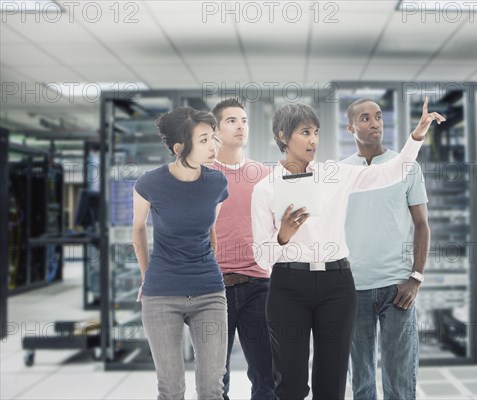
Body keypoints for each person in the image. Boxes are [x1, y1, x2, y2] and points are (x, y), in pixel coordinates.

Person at [251, 98, 444, 399]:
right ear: (281, 136)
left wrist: (416, 136)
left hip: (336, 284)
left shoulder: (334, 175)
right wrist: (283, 235)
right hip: (288, 286)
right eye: (304, 132)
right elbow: (261, 258)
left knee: (332, 384)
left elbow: (391, 173)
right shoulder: (264, 190)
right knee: (290, 384)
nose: (313, 139)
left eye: (315, 132)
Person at [132, 107, 229, 400]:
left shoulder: (217, 183)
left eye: (213, 138)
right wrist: (146, 278)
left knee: (212, 386)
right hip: (162, 293)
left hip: (209, 291)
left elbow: (210, 228)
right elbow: (138, 229)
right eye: (203, 140)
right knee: (171, 388)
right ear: (179, 148)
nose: (212, 146)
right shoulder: (149, 183)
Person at [341, 98, 430, 400]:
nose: (375, 123)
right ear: (350, 127)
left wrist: (416, 277)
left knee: (400, 382)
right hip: (353, 290)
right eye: (365, 118)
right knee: (362, 383)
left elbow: (422, 225)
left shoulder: (407, 167)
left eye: (378, 116)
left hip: (398, 289)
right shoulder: (340, 173)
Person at [210, 98, 275, 400]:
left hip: (259, 284)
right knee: (213, 380)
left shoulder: (263, 174)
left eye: (244, 120)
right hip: (212, 288)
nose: (240, 126)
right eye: (232, 120)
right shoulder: (202, 174)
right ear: (216, 130)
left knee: (266, 378)